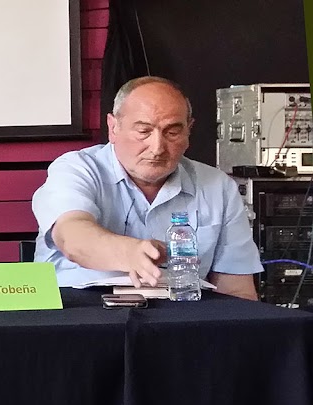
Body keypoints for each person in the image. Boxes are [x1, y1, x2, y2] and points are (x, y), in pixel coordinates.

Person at [32, 76, 260, 299]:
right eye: (143, 131)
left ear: (188, 131)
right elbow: (72, 238)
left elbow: (237, 292)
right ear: (113, 127)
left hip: (181, 315)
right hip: (80, 310)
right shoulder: (76, 169)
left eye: (172, 132)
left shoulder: (219, 187)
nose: (157, 147)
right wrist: (128, 253)